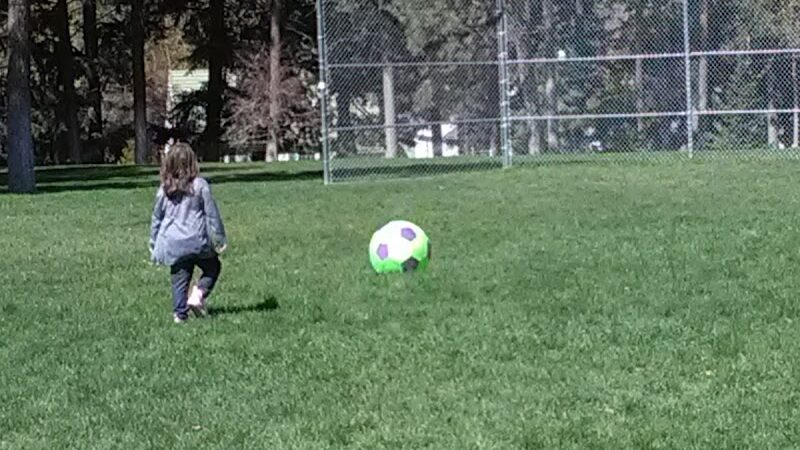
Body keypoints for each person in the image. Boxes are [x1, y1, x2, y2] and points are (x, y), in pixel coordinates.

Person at [149, 143, 227, 323]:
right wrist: (219, 237)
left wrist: (153, 241)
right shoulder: (200, 185)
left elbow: (156, 218)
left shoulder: (164, 189)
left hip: (174, 243)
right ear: (193, 163)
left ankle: (179, 315)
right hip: (198, 240)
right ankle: (198, 295)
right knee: (213, 267)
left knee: (179, 278)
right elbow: (212, 213)